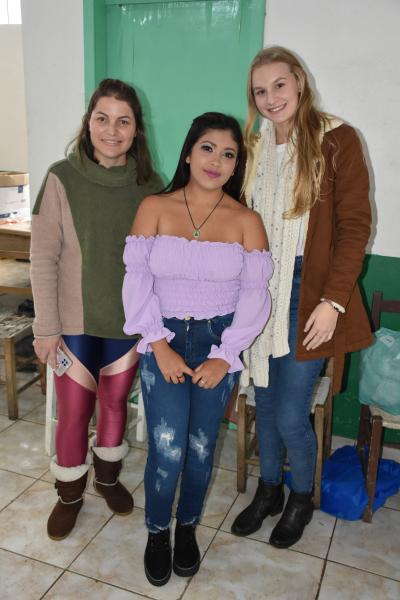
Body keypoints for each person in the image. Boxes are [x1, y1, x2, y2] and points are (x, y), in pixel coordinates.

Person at [122, 112, 273, 586]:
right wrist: (158, 344)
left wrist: (226, 355)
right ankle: (157, 532)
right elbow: (137, 282)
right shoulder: (154, 207)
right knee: (167, 447)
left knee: (202, 447)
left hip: (218, 342)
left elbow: (255, 296)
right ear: (188, 152)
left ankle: (186, 528)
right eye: (208, 148)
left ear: (236, 165)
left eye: (229, 154)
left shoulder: (247, 220)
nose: (216, 161)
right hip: (161, 336)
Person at [230, 46, 372, 548]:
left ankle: (300, 497)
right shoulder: (252, 148)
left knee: (292, 413)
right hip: (258, 291)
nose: (271, 98)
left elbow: (355, 227)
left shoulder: (337, 139)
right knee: (265, 403)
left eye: (279, 85)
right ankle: (269, 488)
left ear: (300, 83)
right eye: (260, 91)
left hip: (307, 293)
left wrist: (333, 303)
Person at [30, 79, 162, 541]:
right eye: (102, 118)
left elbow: (160, 260)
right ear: (88, 122)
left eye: (123, 121)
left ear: (136, 129)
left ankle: (107, 478)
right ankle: (69, 494)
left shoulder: (150, 186)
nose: (112, 130)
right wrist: (45, 328)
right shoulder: (61, 178)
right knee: (73, 413)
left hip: (128, 325)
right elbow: (42, 257)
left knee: (115, 405)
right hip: (73, 327)